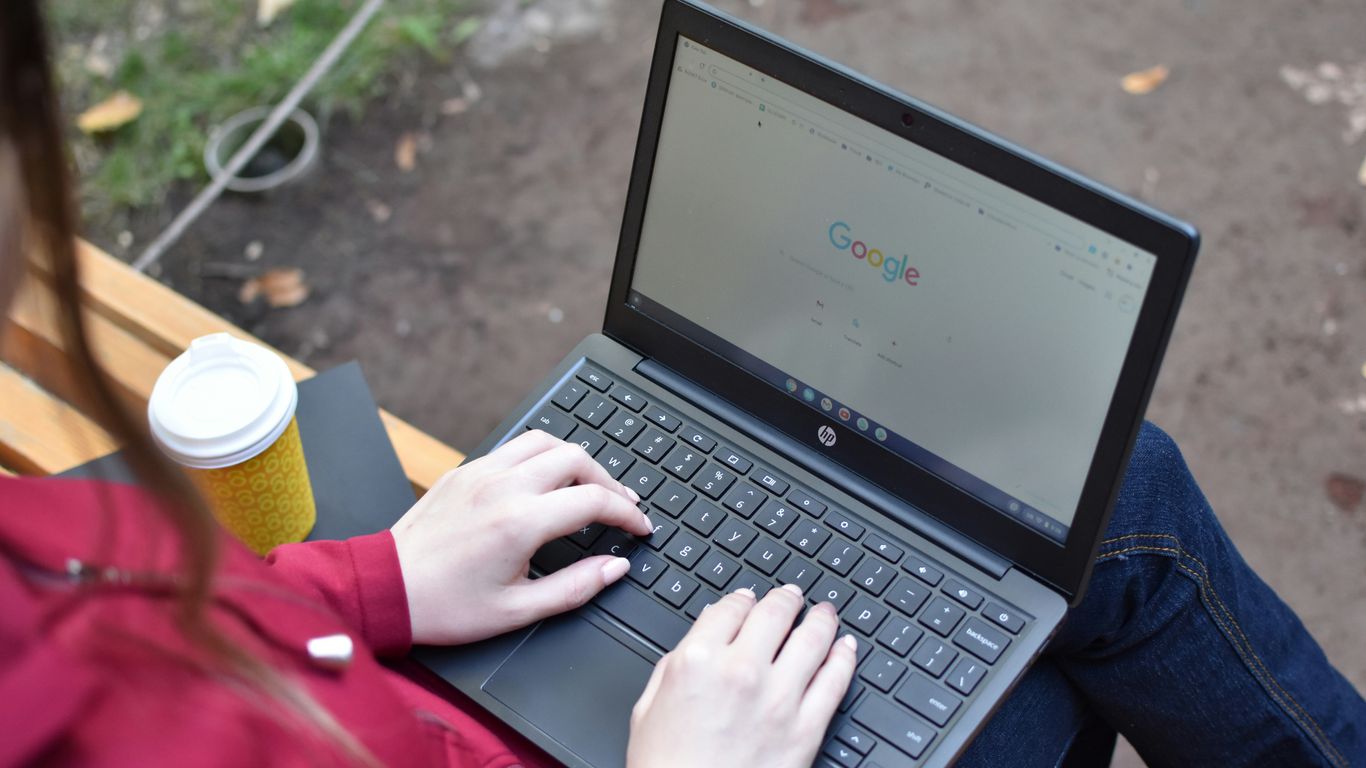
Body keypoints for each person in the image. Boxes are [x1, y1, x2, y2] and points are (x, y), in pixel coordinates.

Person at [1, 3, 1362, 766]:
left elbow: (143, 624)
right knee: (1095, 538)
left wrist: (373, 584)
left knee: (1076, 504)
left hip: (403, 674)